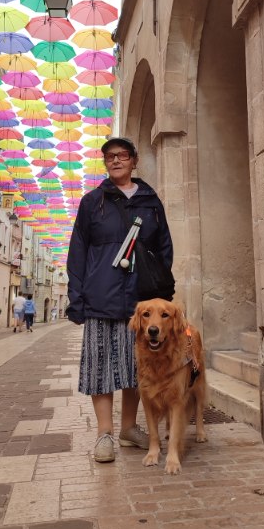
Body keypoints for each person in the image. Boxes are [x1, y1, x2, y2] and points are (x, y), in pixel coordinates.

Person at [66, 136, 173, 463]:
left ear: (133, 161)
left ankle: (128, 428)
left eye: (122, 156)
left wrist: (162, 293)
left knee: (135, 368)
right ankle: (104, 434)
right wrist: (77, 295)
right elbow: (78, 251)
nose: (116, 161)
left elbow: (164, 248)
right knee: (100, 368)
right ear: (105, 163)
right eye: (110, 157)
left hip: (140, 303)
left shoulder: (151, 201)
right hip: (101, 295)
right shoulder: (92, 202)